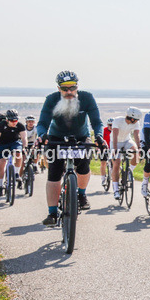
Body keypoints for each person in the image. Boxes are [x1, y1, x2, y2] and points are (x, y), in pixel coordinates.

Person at [36, 71, 104, 224]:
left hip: (80, 137)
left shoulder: (87, 98)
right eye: (64, 89)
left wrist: (99, 135)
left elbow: (97, 122)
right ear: (58, 88)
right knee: (54, 173)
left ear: (77, 87)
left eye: (72, 88)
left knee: (84, 165)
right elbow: (42, 123)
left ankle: (81, 194)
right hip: (56, 137)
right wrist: (42, 135)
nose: (69, 92)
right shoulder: (51, 99)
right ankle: (52, 213)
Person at [0, 109, 26, 196]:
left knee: (19, 153)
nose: (14, 122)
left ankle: (16, 173)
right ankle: (0, 186)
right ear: (7, 120)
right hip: (2, 144)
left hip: (15, 143)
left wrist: (25, 148)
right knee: (1, 163)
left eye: (16, 120)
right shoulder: (1, 125)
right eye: (12, 120)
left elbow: (24, 138)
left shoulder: (20, 126)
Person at [110, 108, 142, 200]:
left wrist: (139, 147)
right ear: (132, 118)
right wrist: (115, 149)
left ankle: (129, 171)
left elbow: (136, 135)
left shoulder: (136, 123)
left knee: (136, 153)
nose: (137, 121)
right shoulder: (118, 120)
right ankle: (116, 189)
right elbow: (115, 135)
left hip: (127, 140)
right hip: (115, 142)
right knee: (116, 163)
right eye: (136, 119)